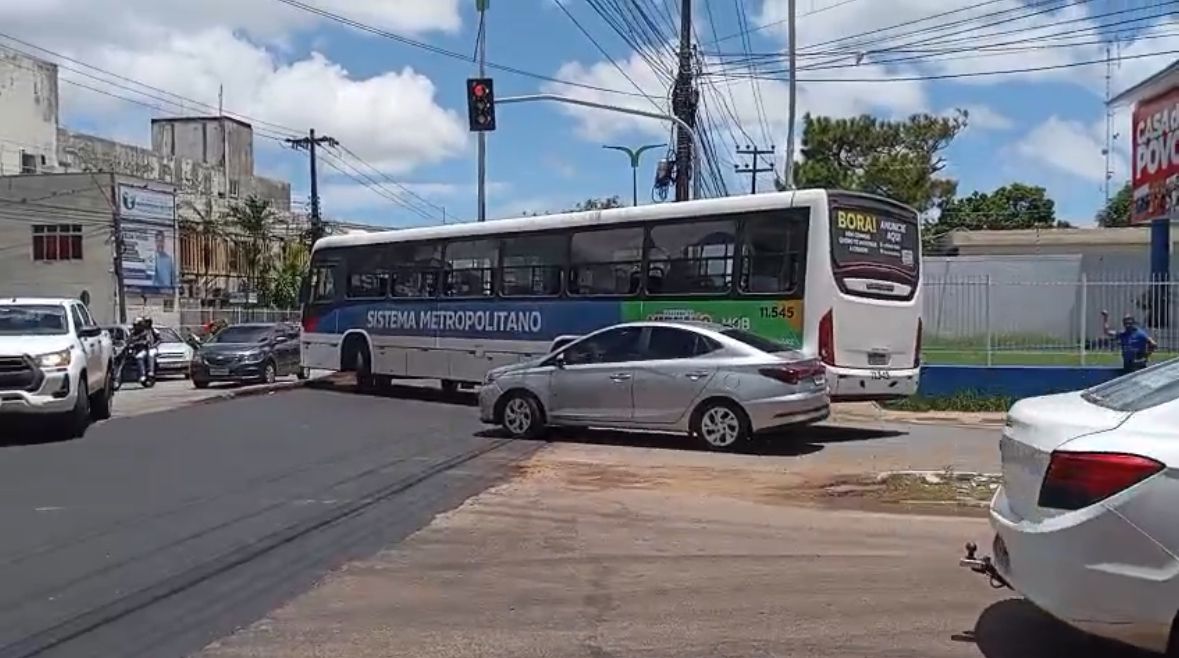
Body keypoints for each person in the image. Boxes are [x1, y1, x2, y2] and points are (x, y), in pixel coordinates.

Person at [128, 316, 161, 383]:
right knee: (139, 357)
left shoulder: (150, 331)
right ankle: (141, 374)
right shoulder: (133, 332)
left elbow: (151, 340)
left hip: (150, 348)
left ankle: (150, 372)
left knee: (150, 354)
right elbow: (129, 340)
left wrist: (152, 345)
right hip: (140, 349)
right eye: (135, 325)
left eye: (148, 322)